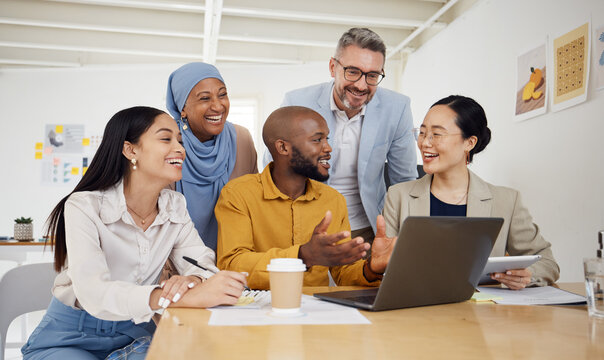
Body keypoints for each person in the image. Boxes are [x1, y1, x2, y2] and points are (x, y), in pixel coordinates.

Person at [22, 107, 247, 360]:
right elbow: (94, 292)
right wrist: (172, 298)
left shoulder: (175, 205)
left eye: (180, 141)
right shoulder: (84, 205)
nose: (180, 149)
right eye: (166, 139)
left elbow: (201, 262)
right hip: (70, 337)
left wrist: (192, 281)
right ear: (131, 150)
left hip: (136, 333)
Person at [382, 95, 559, 289]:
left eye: (437, 134)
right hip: (418, 309)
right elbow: (386, 266)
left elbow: (548, 263)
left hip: (482, 313)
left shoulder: (507, 201)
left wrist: (526, 275)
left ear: (470, 143)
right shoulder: (398, 196)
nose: (425, 143)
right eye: (422, 133)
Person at [216, 106, 397, 290]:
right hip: (259, 310)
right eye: (317, 140)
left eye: (327, 138)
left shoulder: (333, 200)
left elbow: (343, 273)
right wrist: (303, 255)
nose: (328, 148)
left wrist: (372, 268)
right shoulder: (237, 195)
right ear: (283, 147)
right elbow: (233, 264)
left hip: (317, 311)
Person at [276, 27, 417, 244]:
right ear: (333, 67)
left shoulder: (397, 108)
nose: (361, 85)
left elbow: (404, 183)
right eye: (352, 71)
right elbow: (277, 175)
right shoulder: (297, 103)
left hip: (368, 227)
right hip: (307, 227)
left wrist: (405, 240)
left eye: (372, 76)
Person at [166, 62, 258, 252]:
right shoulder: (168, 145)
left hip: (234, 258)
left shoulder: (241, 139)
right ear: (182, 108)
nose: (217, 106)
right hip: (179, 261)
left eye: (222, 94)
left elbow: (254, 204)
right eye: (204, 98)